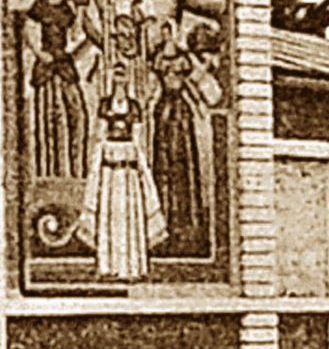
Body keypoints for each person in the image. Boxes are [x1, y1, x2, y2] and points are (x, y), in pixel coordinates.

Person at [75, 64, 168, 279]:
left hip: (128, 170)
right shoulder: (105, 104)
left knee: (130, 214)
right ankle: (108, 266)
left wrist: (137, 160)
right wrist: (99, 158)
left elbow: (137, 138)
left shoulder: (134, 106)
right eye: (116, 76)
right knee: (109, 214)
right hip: (109, 169)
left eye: (122, 76)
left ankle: (133, 266)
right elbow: (100, 134)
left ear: (127, 80)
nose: (119, 81)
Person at [22, 0, 102, 186]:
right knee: (49, 116)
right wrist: (39, 53)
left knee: (77, 113)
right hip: (47, 61)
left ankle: (77, 171)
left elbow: (75, 34)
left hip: (63, 61)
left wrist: (82, 11)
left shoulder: (67, 7)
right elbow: (28, 30)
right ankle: (47, 172)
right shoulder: (41, 4)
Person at [150, 22, 223, 254]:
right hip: (164, 111)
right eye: (163, 33)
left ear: (173, 33)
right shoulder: (158, 57)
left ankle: (188, 220)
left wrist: (199, 105)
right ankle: (163, 218)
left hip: (181, 112)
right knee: (163, 164)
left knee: (184, 163)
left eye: (168, 32)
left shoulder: (183, 58)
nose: (166, 36)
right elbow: (153, 85)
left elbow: (191, 84)